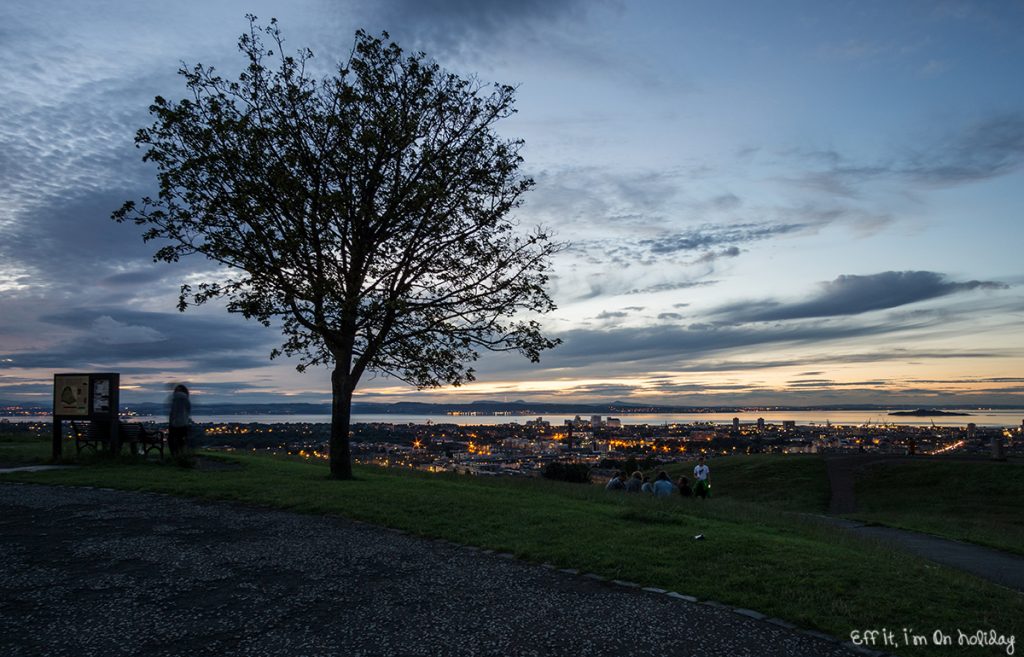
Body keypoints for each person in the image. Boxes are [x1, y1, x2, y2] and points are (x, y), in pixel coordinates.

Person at [168, 384, 191, 456]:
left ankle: (175, 455)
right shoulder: (186, 399)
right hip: (185, 423)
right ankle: (182, 454)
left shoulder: (175, 398)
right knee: (182, 440)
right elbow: (188, 410)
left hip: (175, 424)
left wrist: (171, 421)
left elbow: (173, 412)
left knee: (171, 440)